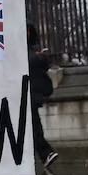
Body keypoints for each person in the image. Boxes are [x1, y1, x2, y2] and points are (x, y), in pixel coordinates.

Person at [27, 23, 57, 167]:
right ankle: (44, 153)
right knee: (33, 125)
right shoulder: (29, 54)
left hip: (27, 95)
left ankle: (45, 154)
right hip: (21, 94)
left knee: (33, 125)